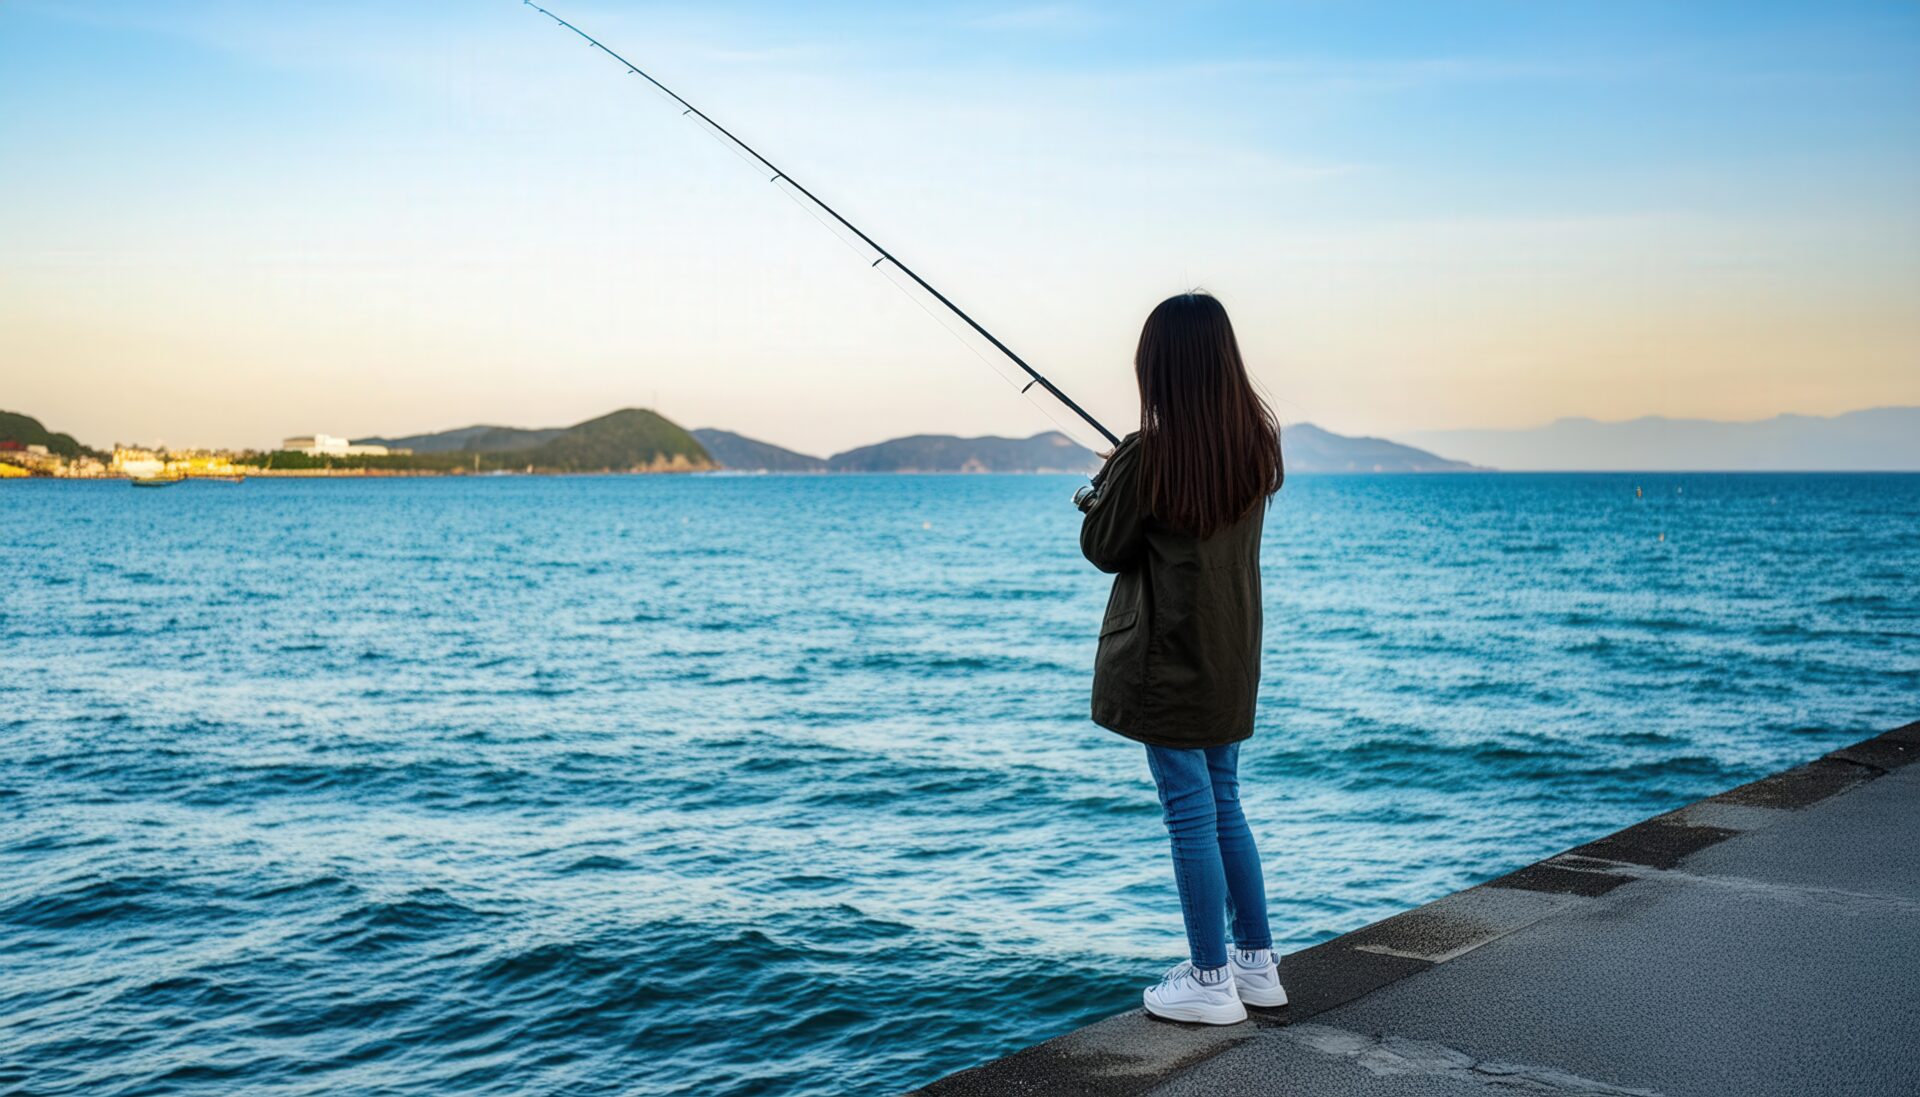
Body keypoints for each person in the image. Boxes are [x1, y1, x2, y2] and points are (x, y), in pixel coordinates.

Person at [1076, 291, 1284, 1025]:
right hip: (1230, 652)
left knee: (1188, 809)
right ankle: (1255, 963)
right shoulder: (1257, 443)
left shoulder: (1150, 454)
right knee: (1224, 798)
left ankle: (1208, 978)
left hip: (1167, 660)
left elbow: (1103, 547)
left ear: (1159, 366)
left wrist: (1105, 481)